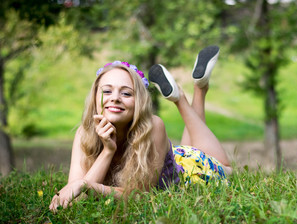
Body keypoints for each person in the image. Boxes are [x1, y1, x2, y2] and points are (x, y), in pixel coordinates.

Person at [49, 46, 232, 211]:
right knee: (189, 143)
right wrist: (107, 151)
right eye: (106, 91)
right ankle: (199, 88)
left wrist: (87, 185)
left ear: (139, 102)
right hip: (170, 158)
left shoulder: (153, 126)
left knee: (227, 169)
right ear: (95, 97)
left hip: (190, 171)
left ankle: (182, 98)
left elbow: (140, 196)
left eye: (126, 93)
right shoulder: (85, 133)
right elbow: (73, 198)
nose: (115, 98)